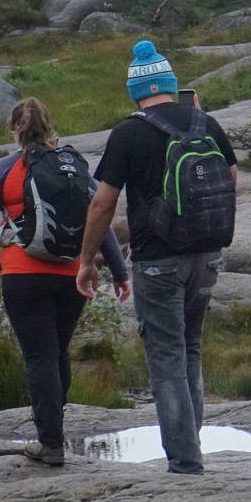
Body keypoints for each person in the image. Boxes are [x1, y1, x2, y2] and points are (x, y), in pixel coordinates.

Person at [77, 41, 238, 476]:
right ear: (170, 83)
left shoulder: (128, 133)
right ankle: (191, 445)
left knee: (166, 358)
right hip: (207, 254)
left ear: (136, 91)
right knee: (190, 348)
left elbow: (102, 204)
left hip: (156, 261)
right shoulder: (205, 122)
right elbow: (231, 177)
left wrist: (88, 259)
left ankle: (185, 461)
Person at [0, 98, 129, 466]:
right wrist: (120, 272)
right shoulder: (73, 167)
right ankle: (54, 430)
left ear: (16, 129)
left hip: (23, 274)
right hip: (72, 275)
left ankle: (51, 443)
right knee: (57, 351)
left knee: (39, 355)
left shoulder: (5, 168)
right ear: (49, 127)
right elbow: (100, 218)